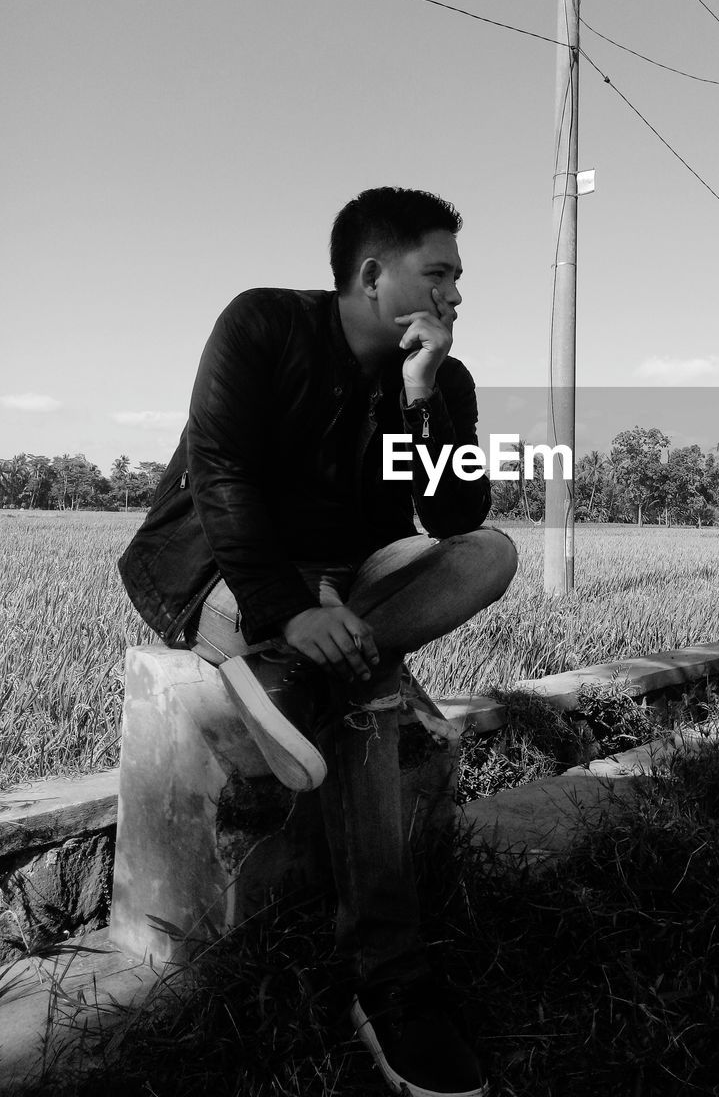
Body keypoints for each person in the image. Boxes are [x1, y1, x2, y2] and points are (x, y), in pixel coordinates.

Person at [118, 186, 518, 1097]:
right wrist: (285, 610)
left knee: (489, 555)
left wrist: (420, 405)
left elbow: (457, 516)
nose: (457, 296)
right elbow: (223, 479)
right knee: (368, 696)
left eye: (459, 277)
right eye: (440, 273)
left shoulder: (442, 378)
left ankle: (293, 676)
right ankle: (393, 981)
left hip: (356, 582)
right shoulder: (262, 328)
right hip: (222, 572)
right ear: (374, 275)